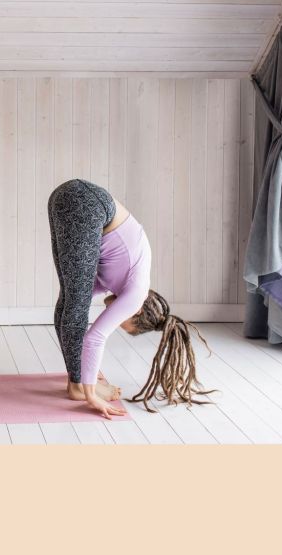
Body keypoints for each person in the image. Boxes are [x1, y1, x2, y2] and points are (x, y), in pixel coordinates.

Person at [47, 178, 215, 420]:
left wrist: (86, 374)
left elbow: (74, 299)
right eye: (121, 320)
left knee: (70, 300)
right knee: (74, 305)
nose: (114, 317)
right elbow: (95, 338)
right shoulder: (136, 295)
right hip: (88, 204)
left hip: (68, 196)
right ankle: (79, 387)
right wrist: (92, 395)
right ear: (136, 311)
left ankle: (77, 381)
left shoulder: (121, 280)